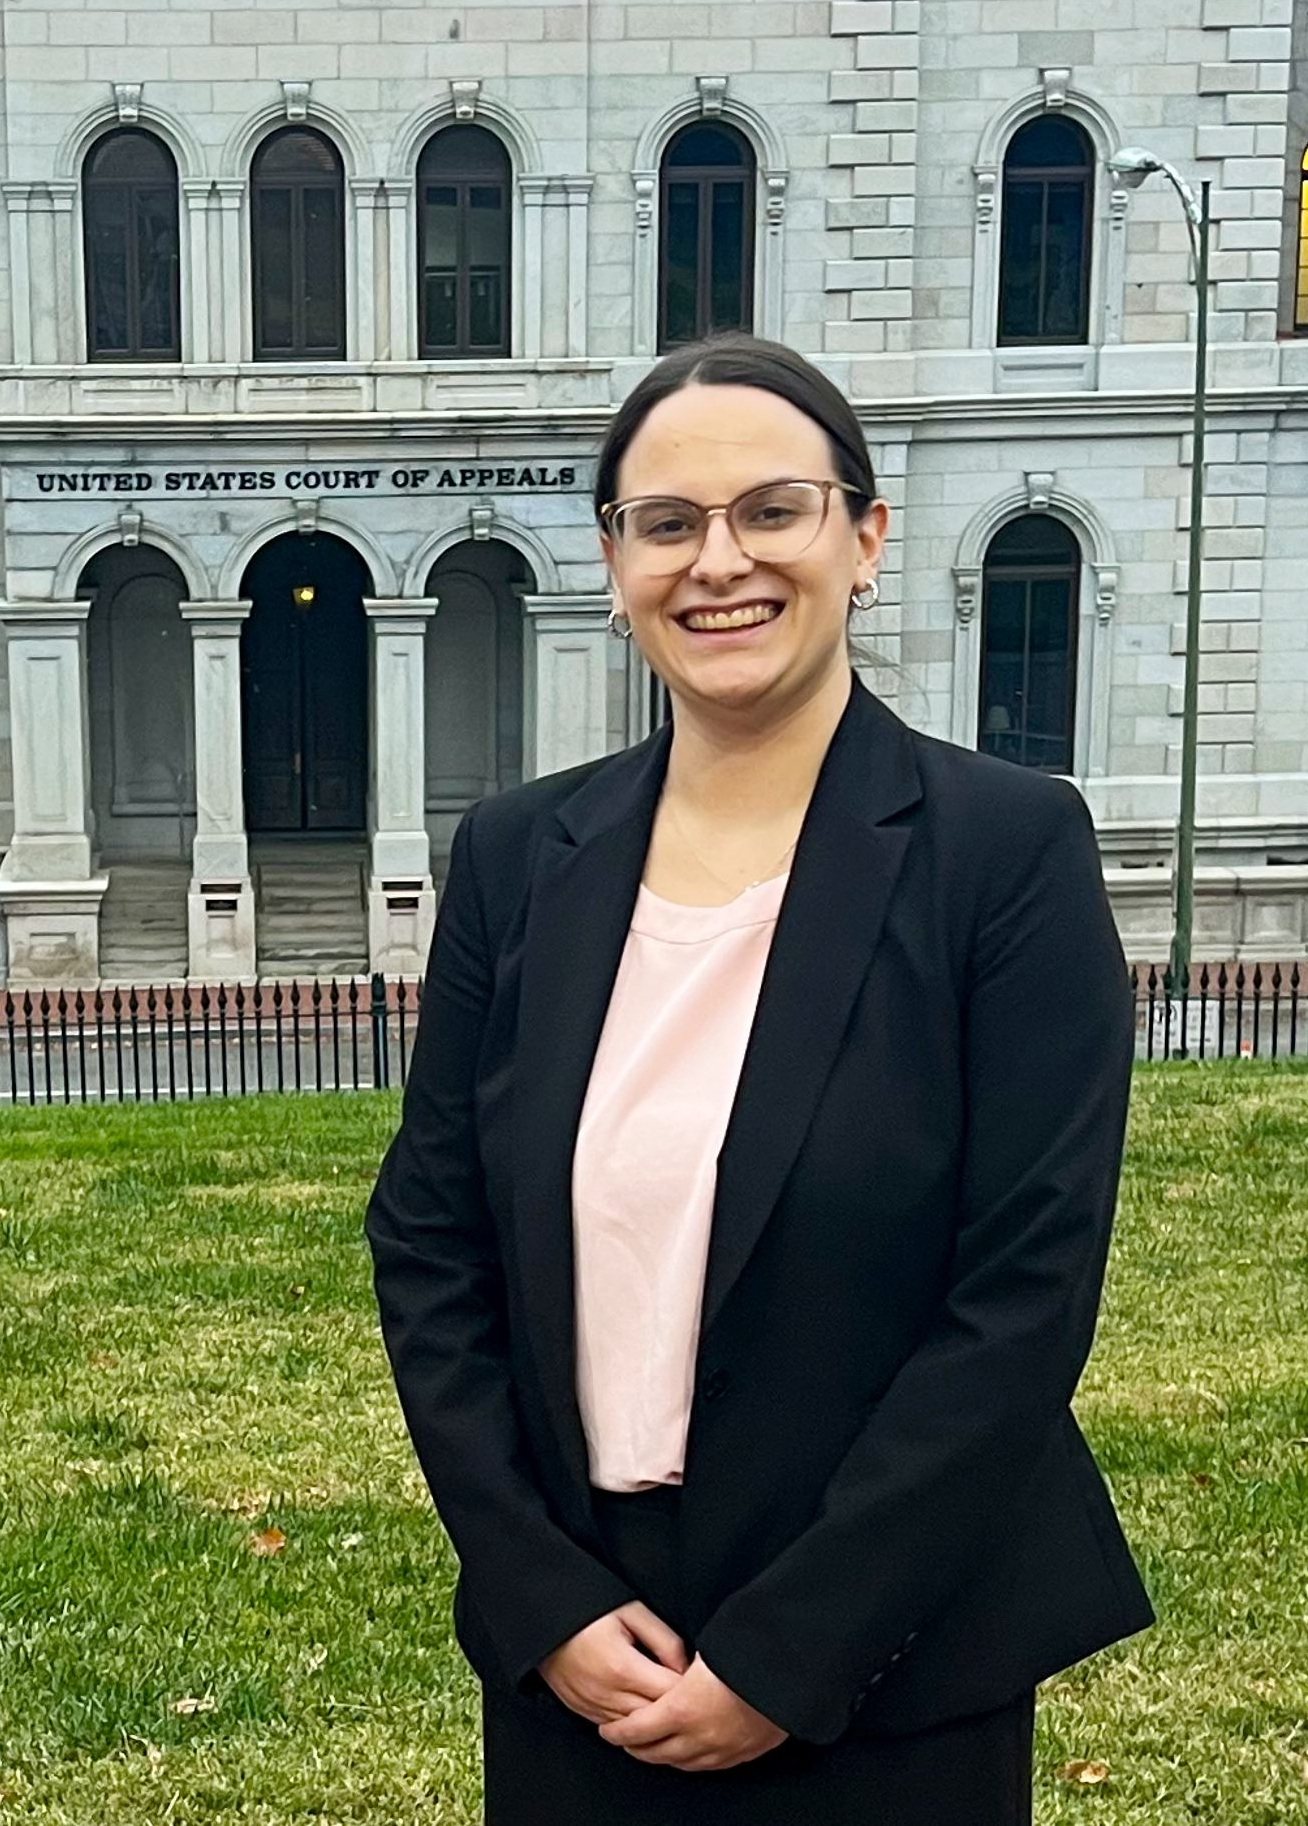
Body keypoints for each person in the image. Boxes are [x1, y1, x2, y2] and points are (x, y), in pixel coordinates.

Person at [367, 333, 1152, 1822]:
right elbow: (430, 1242)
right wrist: (537, 1597)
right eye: (666, 523)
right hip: (584, 1655)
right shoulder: (521, 857)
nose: (716, 561)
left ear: (864, 537)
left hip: (891, 1664)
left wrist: (795, 1654)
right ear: (615, 565)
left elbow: (1023, 1296)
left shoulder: (1004, 852)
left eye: (770, 510)